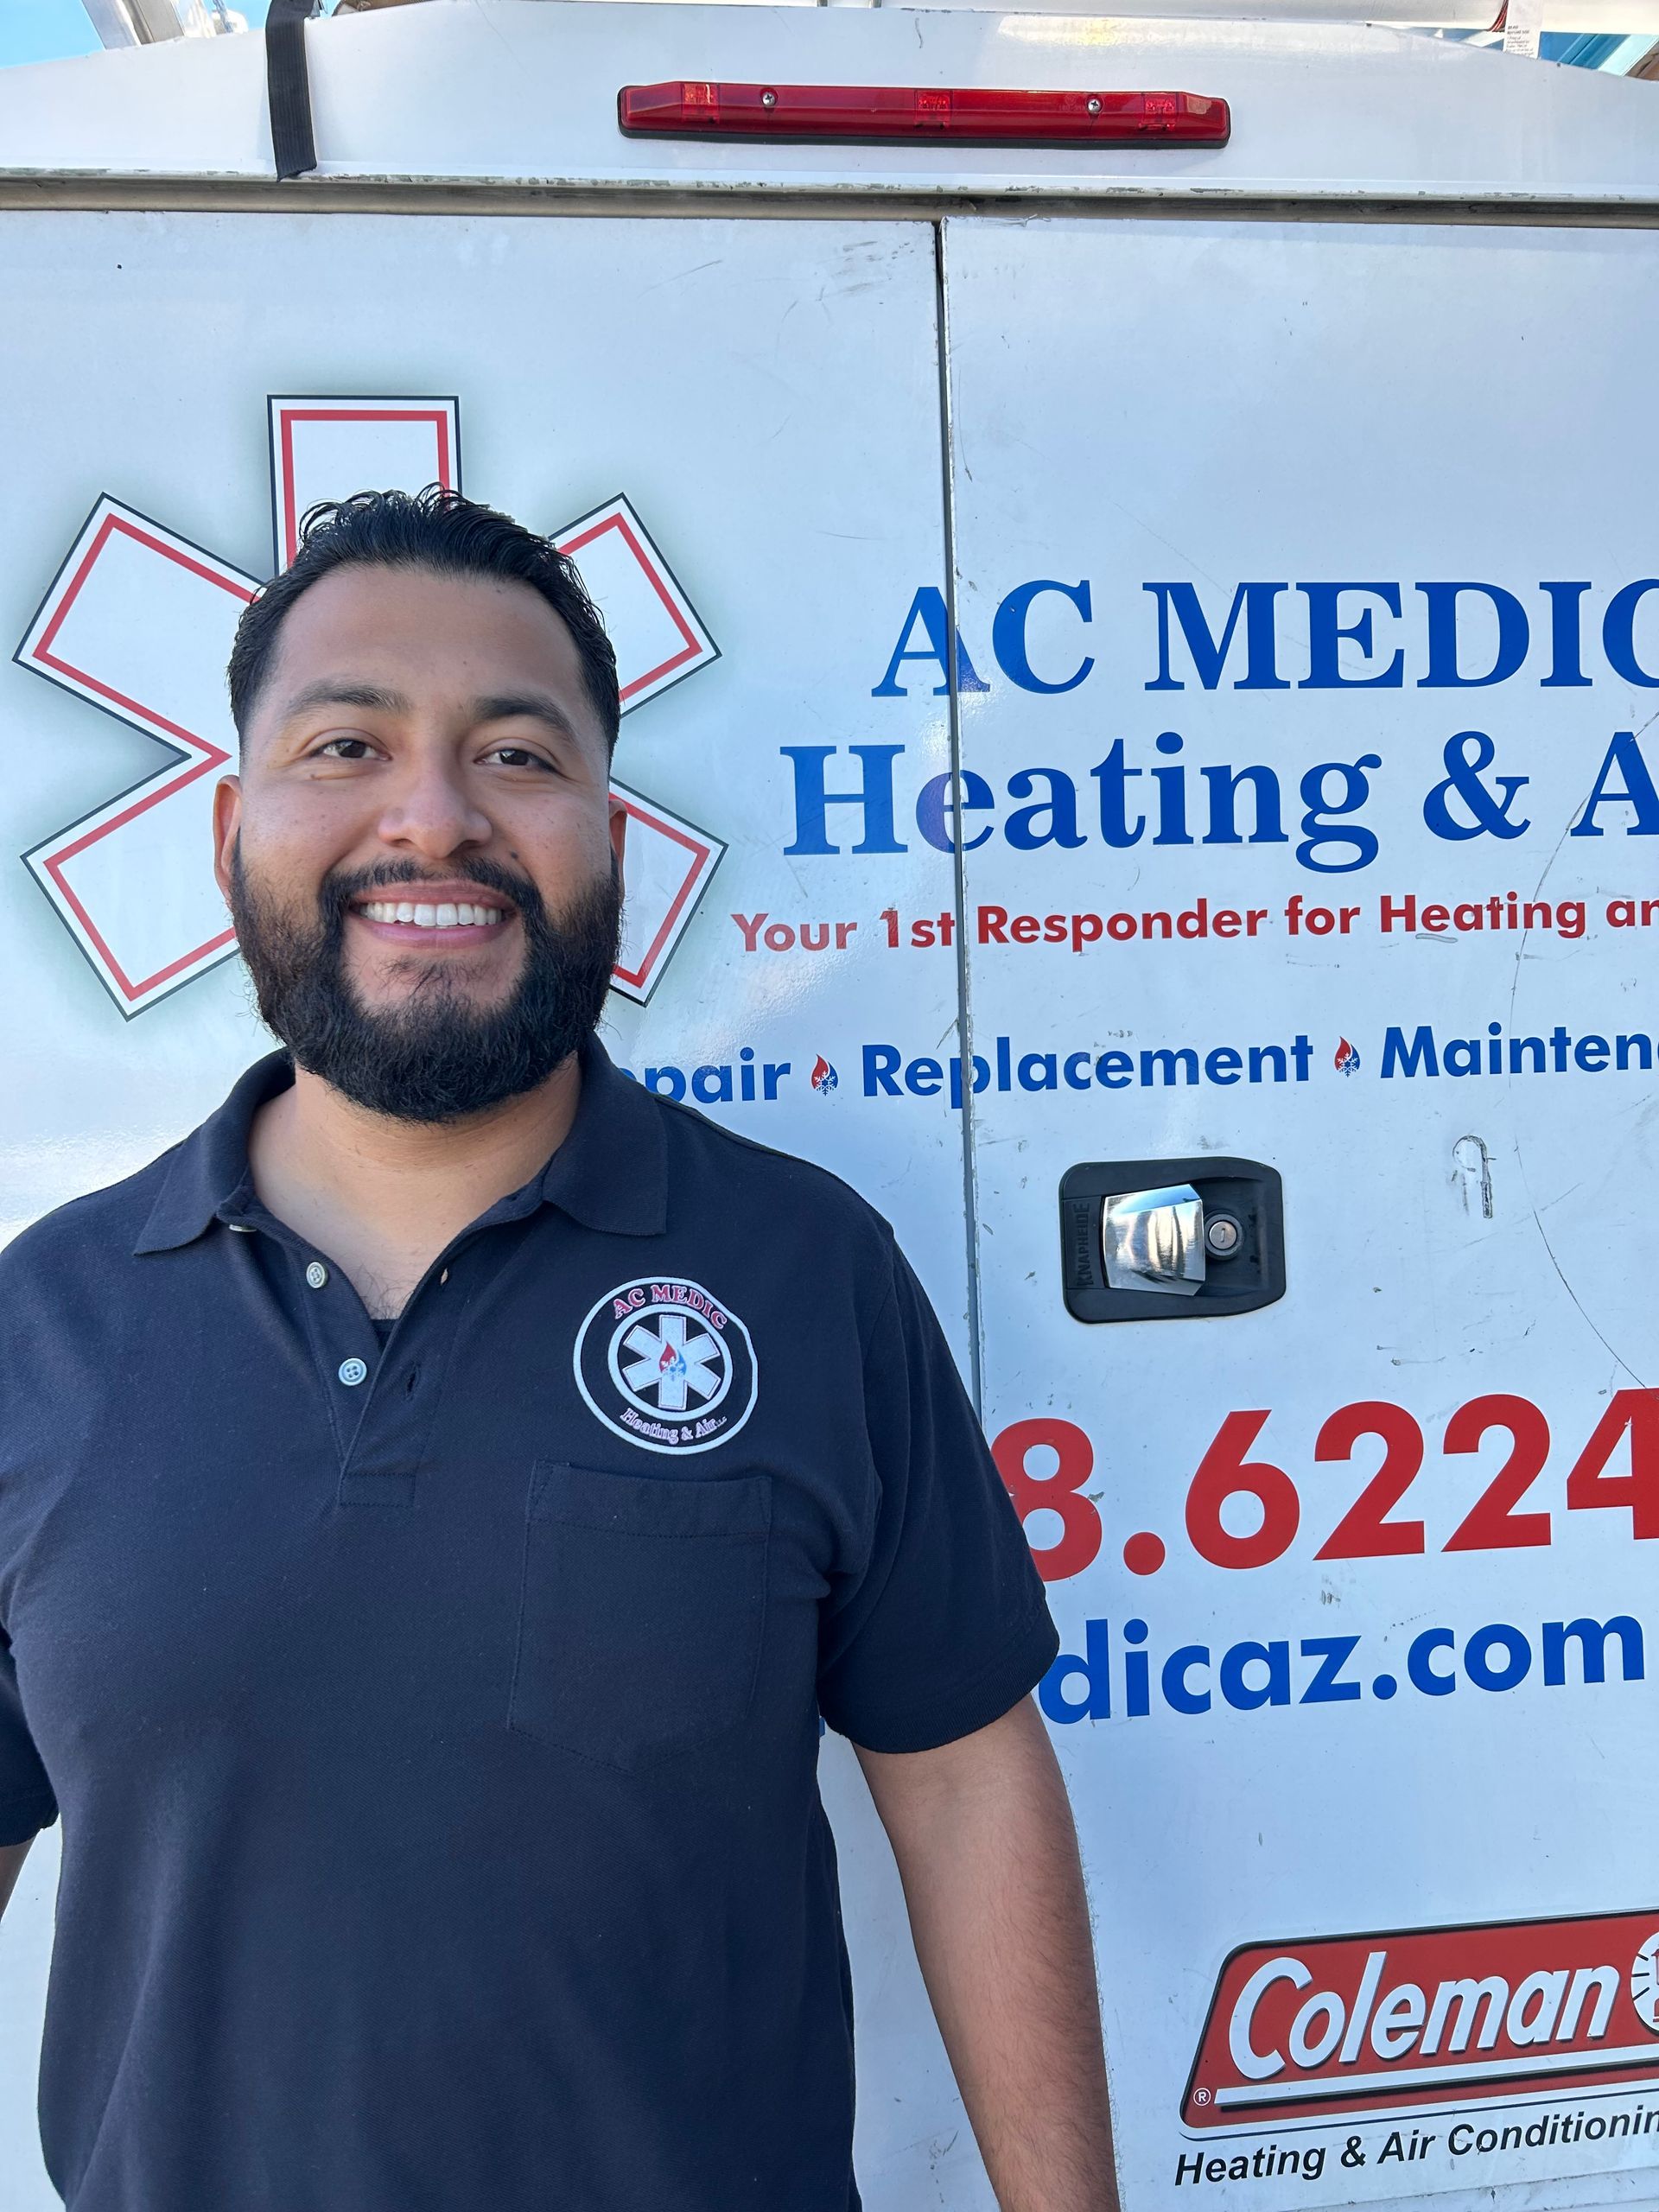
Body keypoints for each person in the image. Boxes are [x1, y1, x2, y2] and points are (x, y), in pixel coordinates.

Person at [0, 487, 1116, 2211]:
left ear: (615, 834)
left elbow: (964, 1775)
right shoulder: (43, 1322)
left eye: (517, 756)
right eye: (346, 743)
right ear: (232, 824)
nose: (432, 818)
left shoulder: (806, 1269)